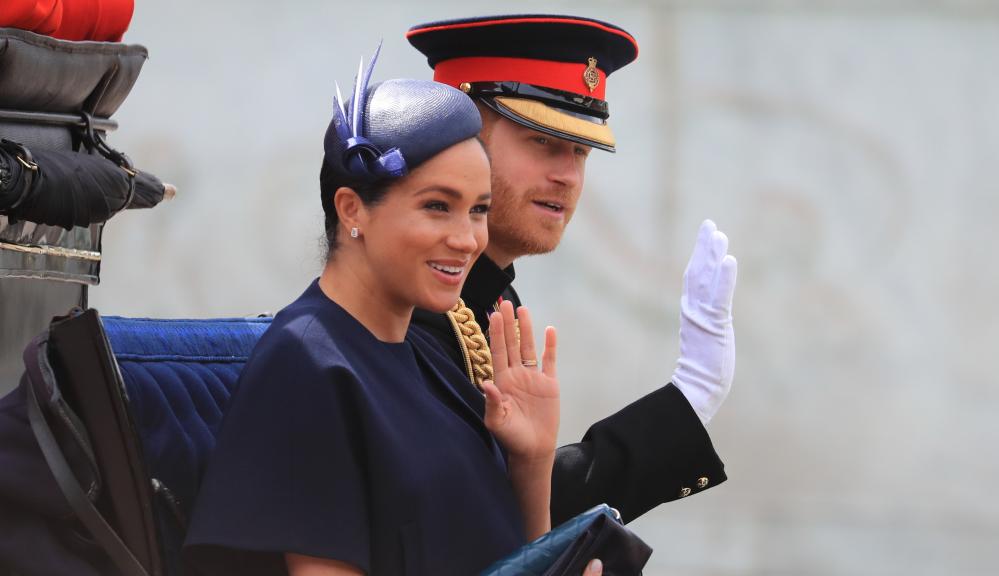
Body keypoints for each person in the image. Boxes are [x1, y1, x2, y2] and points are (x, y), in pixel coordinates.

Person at [183, 52, 575, 575]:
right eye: (437, 205)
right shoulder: (307, 366)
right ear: (352, 209)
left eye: (479, 209)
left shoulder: (425, 357)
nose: (467, 239)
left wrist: (531, 461)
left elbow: (516, 562)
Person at [405, 14, 739, 525]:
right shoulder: (414, 302)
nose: (567, 175)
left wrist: (688, 400)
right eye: (542, 142)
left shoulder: (486, 297)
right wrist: (687, 400)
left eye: (581, 150)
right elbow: (478, 519)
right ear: (460, 140)